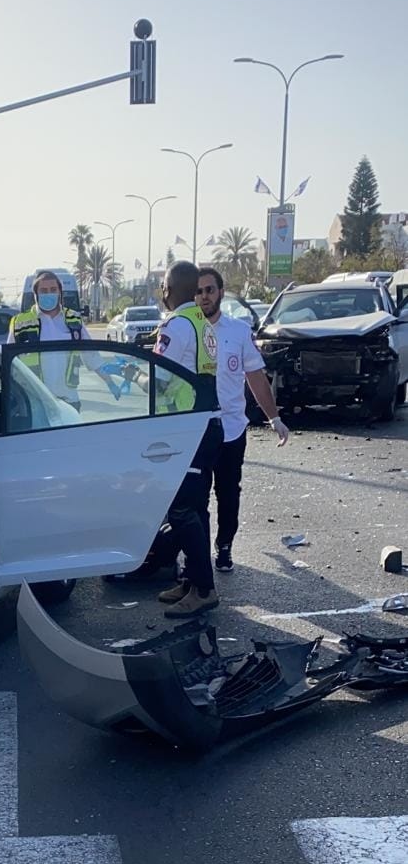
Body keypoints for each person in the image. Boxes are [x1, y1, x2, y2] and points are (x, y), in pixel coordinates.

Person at [196, 267, 289, 572]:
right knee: (195, 499)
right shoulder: (185, 330)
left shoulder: (237, 332)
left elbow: (256, 377)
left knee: (228, 494)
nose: (204, 296)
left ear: (220, 293)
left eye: (210, 289)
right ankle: (195, 556)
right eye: (198, 291)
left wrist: (273, 418)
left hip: (231, 430)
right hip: (194, 433)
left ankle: (224, 546)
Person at [152, 260, 224, 618]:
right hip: (205, 424)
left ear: (170, 289)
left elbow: (158, 378)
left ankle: (204, 590)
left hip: (189, 429)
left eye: (164, 285)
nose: (162, 292)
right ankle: (194, 580)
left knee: (182, 511)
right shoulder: (202, 323)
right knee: (195, 509)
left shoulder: (177, 325)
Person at [7, 271, 111, 411]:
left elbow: (91, 356)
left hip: (69, 402)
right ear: (35, 294)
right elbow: (10, 363)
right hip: (35, 403)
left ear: (60, 292)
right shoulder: (20, 322)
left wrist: (109, 381)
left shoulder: (73, 320)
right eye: (43, 291)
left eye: (53, 290)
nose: (49, 294)